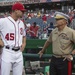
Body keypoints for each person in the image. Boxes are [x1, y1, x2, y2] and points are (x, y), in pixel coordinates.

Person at [0, 2, 26, 75]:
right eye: (22, 11)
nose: (23, 13)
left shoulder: (21, 23)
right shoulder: (3, 21)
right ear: (16, 10)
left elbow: (24, 35)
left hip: (19, 53)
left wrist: (24, 43)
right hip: (7, 52)